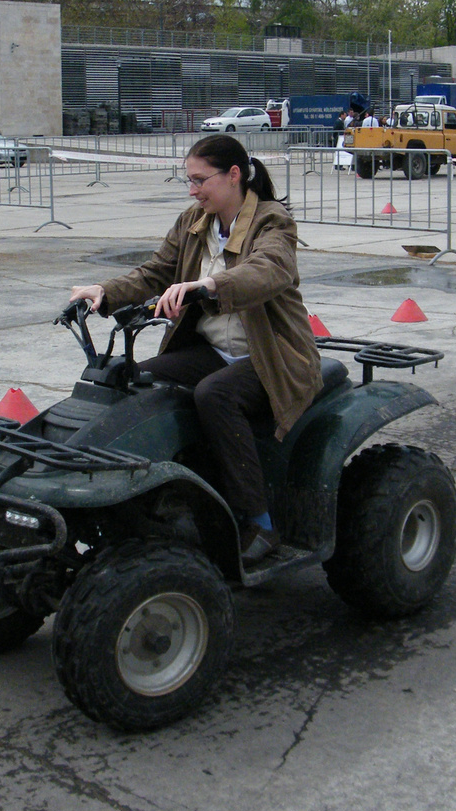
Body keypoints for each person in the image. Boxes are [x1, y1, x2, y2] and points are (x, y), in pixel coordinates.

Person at [68, 134, 323, 566]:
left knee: (215, 395)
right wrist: (104, 292)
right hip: (214, 348)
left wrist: (207, 285)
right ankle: (160, 496)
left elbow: (268, 271)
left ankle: (260, 522)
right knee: (140, 378)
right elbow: (156, 271)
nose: (192, 189)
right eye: (189, 180)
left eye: (200, 180)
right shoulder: (194, 221)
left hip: (271, 357)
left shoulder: (272, 221)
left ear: (234, 175)